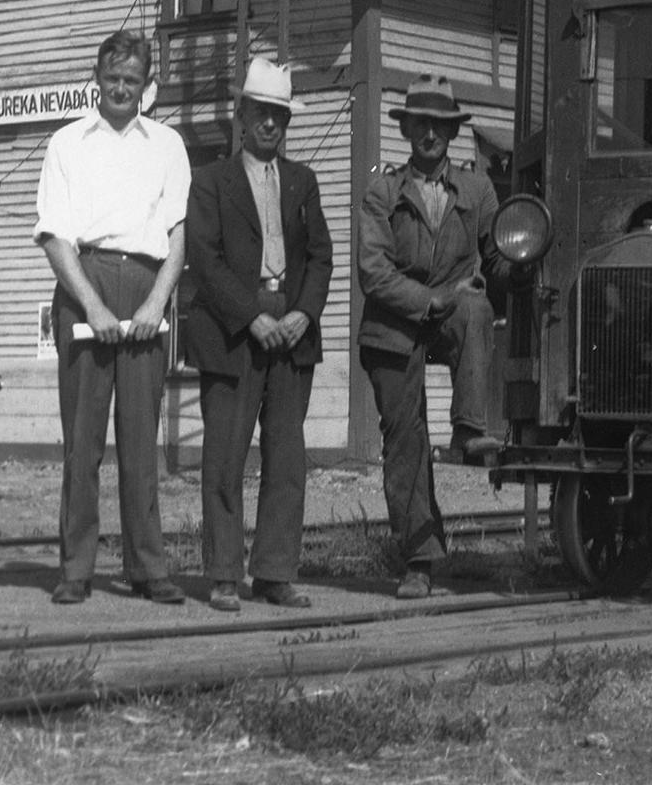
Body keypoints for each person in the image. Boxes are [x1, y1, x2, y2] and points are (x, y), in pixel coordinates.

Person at [34, 30, 191, 606]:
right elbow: (54, 236)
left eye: (132, 80)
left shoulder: (168, 145)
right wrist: (93, 306)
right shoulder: (67, 143)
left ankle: (148, 567)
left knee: (139, 438)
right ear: (95, 80)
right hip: (84, 283)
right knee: (82, 441)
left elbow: (177, 235)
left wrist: (157, 303)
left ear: (147, 85)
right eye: (111, 79)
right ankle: (76, 568)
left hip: (147, 285)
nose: (121, 89)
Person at [184, 57, 332, 612]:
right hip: (232, 332)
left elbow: (320, 256)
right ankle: (224, 573)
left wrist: (303, 314)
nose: (270, 124)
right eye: (261, 113)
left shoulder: (302, 181)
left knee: (286, 457)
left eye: (280, 116)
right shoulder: (211, 181)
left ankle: (274, 573)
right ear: (241, 114)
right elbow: (204, 257)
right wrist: (252, 316)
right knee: (224, 457)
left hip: (292, 334)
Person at [358, 74, 509, 599]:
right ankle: (418, 561)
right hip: (392, 326)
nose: (430, 134)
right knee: (405, 443)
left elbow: (496, 257)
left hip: (453, 315)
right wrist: (432, 300)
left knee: (475, 303)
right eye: (421, 123)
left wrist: (522, 253)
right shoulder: (381, 190)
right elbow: (373, 274)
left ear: (451, 130)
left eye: (440, 125)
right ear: (407, 129)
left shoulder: (478, 188)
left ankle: (469, 428)